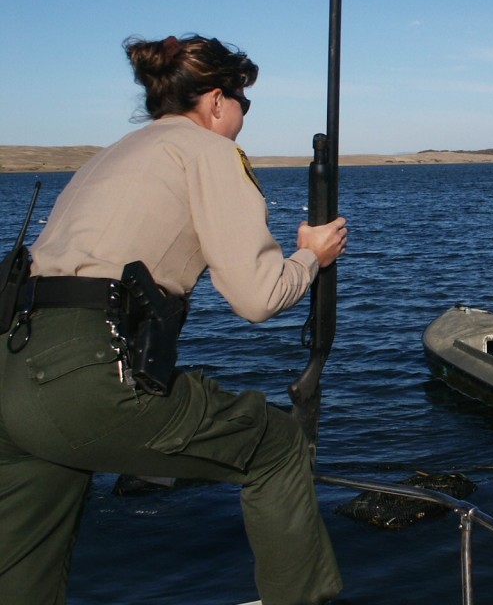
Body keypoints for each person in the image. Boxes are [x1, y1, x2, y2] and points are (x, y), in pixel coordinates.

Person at [0, 35, 345, 605]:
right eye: (244, 103)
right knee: (278, 446)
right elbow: (258, 297)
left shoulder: (109, 156)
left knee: (20, 571)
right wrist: (311, 255)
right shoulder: (207, 151)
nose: (242, 117)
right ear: (215, 101)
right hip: (87, 370)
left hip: (11, 371)